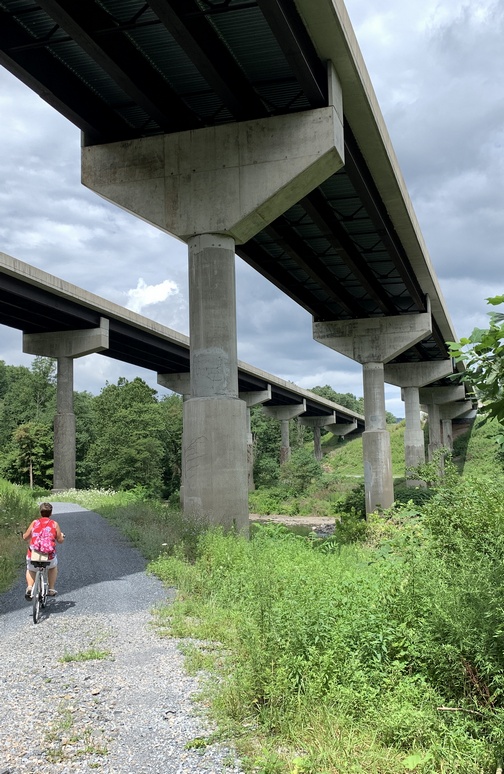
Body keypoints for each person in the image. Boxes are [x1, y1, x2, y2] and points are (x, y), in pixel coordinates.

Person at [22, 502, 65, 600]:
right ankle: (51, 588)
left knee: (30, 569)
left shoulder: (35, 523)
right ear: (51, 513)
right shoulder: (54, 524)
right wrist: (61, 536)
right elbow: (60, 540)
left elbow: (25, 537)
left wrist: (23, 536)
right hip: (48, 556)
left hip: (33, 554)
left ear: (40, 512)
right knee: (53, 567)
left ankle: (29, 587)